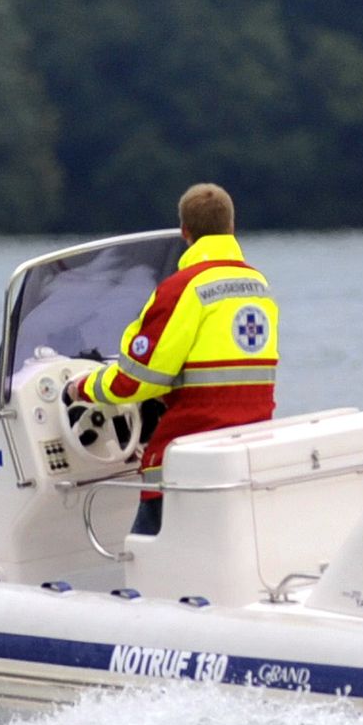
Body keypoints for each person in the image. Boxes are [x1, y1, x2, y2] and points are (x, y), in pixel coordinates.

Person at [74, 183, 280, 497]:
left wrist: (81, 388)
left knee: (147, 525)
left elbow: (137, 381)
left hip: (189, 452)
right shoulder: (258, 284)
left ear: (185, 231)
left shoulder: (182, 289)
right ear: (231, 227)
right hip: (250, 451)